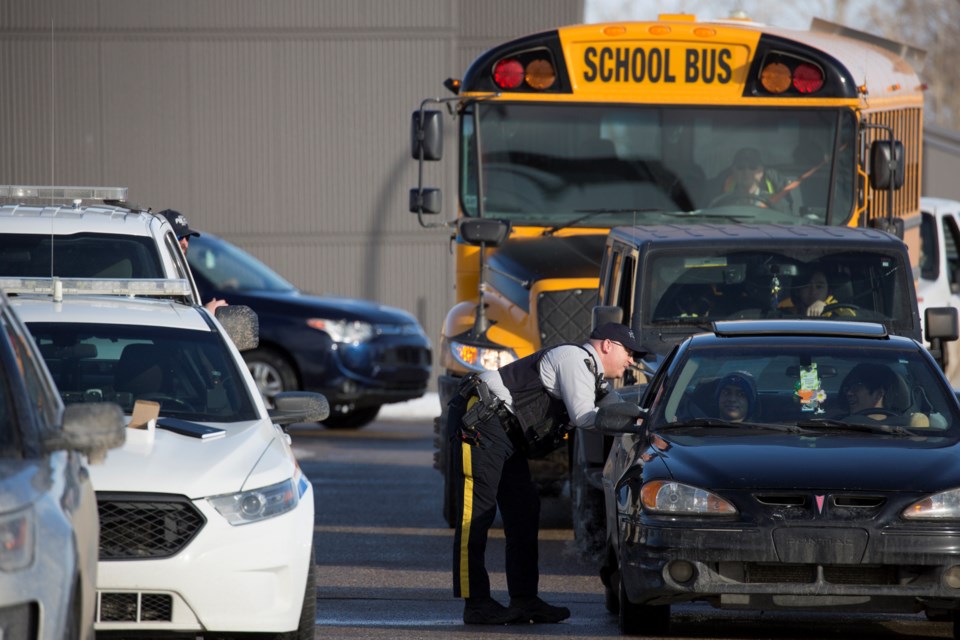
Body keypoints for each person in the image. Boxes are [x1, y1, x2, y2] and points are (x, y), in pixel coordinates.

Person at [449, 322, 643, 625]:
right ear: (607, 345)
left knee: (525, 510)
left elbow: (618, 407)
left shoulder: (592, 376)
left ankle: (525, 600)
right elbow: (584, 416)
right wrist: (631, 425)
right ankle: (476, 603)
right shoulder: (574, 359)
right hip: (482, 424)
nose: (631, 360)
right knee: (476, 515)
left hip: (505, 433)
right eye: (628, 351)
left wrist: (648, 420)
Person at [159, 209, 228, 313]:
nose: (185, 243)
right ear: (160, 238)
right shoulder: (155, 275)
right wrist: (208, 314)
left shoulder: (182, 273)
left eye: (187, 237)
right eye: (179, 237)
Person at [839, 363, 929, 427]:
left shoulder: (910, 430)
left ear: (879, 394)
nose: (849, 393)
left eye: (856, 387)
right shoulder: (834, 426)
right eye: (847, 388)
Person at [711, 147, 791, 212]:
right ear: (733, 172)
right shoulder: (720, 204)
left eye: (752, 167)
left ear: (761, 173)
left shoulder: (778, 204)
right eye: (741, 167)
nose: (746, 172)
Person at [777, 266, 853, 317]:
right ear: (798, 291)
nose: (813, 292)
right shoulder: (784, 315)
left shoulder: (837, 311)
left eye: (819, 287)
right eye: (807, 286)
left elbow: (851, 318)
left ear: (829, 291)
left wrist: (825, 306)